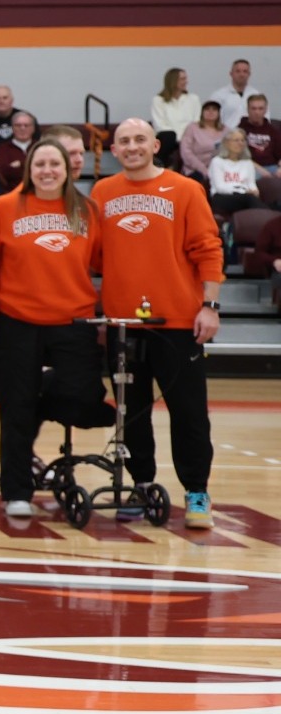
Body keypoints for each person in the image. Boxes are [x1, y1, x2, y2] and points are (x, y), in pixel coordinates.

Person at [92, 119, 225, 529]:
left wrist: (211, 305)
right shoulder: (102, 192)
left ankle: (196, 490)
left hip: (179, 321)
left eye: (139, 140)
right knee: (130, 414)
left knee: (188, 412)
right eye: (124, 141)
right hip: (122, 323)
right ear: (114, 149)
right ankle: (142, 483)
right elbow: (94, 257)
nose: (132, 147)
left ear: (154, 145)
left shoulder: (186, 189)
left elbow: (208, 247)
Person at [0, 138, 114, 518]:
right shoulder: (6, 207)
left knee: (85, 397)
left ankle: (39, 398)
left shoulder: (87, 209)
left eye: (54, 164)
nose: (47, 171)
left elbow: (100, 261)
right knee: (15, 410)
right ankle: (17, 492)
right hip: (16, 320)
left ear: (67, 168)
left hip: (72, 320)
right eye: (39, 164)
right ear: (29, 169)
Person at [211, 130, 264, 217]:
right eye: (236, 140)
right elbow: (220, 187)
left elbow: (251, 183)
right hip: (221, 197)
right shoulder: (217, 161)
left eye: (242, 140)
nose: (240, 143)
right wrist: (242, 191)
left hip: (245, 197)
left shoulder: (248, 163)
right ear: (226, 143)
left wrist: (255, 191)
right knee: (249, 199)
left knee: (253, 199)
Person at [152, 67, 197, 156]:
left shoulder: (193, 99)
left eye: (186, 78)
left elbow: (196, 122)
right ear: (173, 80)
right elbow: (159, 125)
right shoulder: (158, 100)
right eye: (182, 79)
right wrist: (178, 138)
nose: (186, 82)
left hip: (188, 138)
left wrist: (183, 139)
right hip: (168, 139)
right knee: (168, 135)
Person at [180, 99, 227, 178]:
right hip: (195, 169)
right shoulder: (192, 128)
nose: (211, 112)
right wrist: (203, 169)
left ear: (219, 113)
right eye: (207, 109)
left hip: (221, 169)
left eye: (214, 109)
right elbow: (186, 152)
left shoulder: (226, 130)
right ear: (202, 112)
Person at [210, 59, 261, 130]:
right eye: (238, 71)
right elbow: (211, 120)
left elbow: (265, 119)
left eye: (245, 71)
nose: (242, 74)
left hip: (252, 136)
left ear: (249, 74)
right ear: (231, 74)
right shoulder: (218, 95)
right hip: (226, 137)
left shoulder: (256, 95)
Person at [0, 110, 37, 191]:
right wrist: (30, 165)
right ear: (12, 128)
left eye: (26, 125)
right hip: (12, 192)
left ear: (33, 128)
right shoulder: (3, 148)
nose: (22, 128)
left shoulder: (39, 147)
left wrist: (20, 164)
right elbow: (3, 172)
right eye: (18, 125)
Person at [241, 94, 279, 171]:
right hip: (249, 167)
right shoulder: (241, 130)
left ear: (265, 110)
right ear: (248, 109)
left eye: (260, 108)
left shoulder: (272, 130)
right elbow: (239, 156)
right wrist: (261, 171)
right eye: (253, 108)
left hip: (272, 167)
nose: (257, 112)